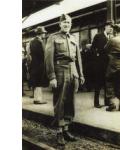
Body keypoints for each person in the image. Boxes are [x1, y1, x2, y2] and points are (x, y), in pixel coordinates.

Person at [45, 14, 84, 146]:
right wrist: (52, 77)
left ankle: (66, 129)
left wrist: (81, 74)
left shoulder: (74, 38)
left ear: (71, 24)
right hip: (60, 71)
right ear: (60, 24)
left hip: (73, 72)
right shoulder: (53, 37)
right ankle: (59, 132)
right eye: (64, 22)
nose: (66, 24)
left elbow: (78, 58)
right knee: (60, 102)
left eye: (68, 22)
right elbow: (48, 59)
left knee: (70, 102)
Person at [104, 23, 120, 111]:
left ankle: (112, 104)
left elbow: (105, 49)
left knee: (110, 83)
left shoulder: (112, 40)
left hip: (113, 64)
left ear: (114, 31)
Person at [91, 21, 113, 108]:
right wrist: (97, 55)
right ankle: (96, 103)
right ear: (105, 27)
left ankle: (106, 102)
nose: (111, 29)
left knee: (107, 83)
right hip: (99, 64)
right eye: (109, 27)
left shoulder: (111, 37)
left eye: (112, 28)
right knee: (98, 83)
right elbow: (92, 48)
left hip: (108, 64)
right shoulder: (98, 36)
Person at [28, 26, 47, 104]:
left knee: (35, 82)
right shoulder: (40, 42)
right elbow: (43, 54)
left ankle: (37, 98)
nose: (45, 34)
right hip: (39, 64)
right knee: (39, 82)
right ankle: (38, 99)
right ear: (40, 33)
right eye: (44, 33)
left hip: (34, 64)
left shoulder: (32, 41)